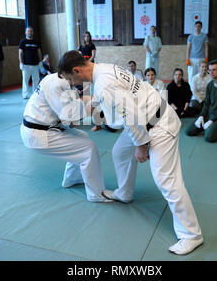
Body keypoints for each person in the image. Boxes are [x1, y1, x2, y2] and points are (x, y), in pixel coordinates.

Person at [58, 50, 204, 255]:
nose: (72, 84)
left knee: (166, 181)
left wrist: (141, 145)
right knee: (119, 152)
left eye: (70, 79)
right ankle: (124, 193)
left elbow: (130, 113)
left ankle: (191, 235)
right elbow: (116, 101)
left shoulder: (103, 83)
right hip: (146, 118)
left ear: (76, 70)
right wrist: (97, 115)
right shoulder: (104, 69)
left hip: (158, 124)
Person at [20, 72, 112, 203]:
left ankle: (72, 178)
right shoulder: (58, 84)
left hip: (44, 126)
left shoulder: (56, 78)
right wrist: (90, 107)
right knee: (88, 148)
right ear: (74, 71)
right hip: (38, 133)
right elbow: (70, 120)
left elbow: (69, 117)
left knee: (83, 136)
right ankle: (97, 194)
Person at [185, 60, 217, 142]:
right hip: (209, 115)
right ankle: (212, 127)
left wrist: (212, 120)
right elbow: (206, 103)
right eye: (210, 70)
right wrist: (201, 116)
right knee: (189, 131)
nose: (211, 72)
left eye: (214, 70)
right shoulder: (210, 85)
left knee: (209, 137)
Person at [19, 26, 42, 99]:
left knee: (36, 80)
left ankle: (35, 94)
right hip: (26, 65)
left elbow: (39, 52)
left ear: (33, 32)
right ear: (25, 32)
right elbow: (20, 53)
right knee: (25, 81)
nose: (29, 32)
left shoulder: (36, 42)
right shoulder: (23, 42)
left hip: (35, 65)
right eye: (28, 31)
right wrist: (21, 63)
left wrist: (40, 61)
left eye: (31, 31)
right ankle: (25, 94)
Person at [186, 21, 209, 85]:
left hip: (201, 58)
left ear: (201, 27)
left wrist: (206, 58)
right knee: (191, 76)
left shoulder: (204, 36)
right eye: (196, 26)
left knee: (201, 75)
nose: (197, 28)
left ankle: (201, 90)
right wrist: (187, 59)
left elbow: (206, 48)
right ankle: (191, 91)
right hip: (192, 59)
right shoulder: (190, 36)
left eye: (199, 26)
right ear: (194, 27)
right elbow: (188, 48)